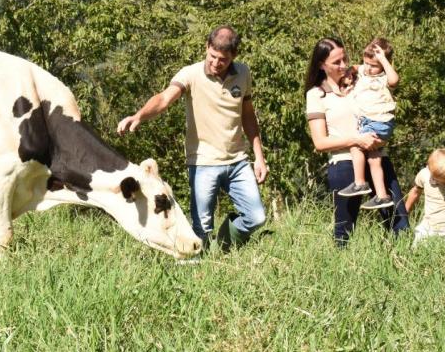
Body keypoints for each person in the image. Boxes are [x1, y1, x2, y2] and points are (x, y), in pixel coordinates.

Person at [117, 25, 267, 250]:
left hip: (237, 161)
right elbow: (164, 99)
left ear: (234, 56)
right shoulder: (190, 74)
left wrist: (259, 156)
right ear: (206, 47)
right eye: (212, 56)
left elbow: (248, 116)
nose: (216, 63)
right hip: (203, 163)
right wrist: (140, 115)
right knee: (202, 227)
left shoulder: (243, 73)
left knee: (256, 218)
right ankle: (202, 267)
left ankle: (222, 247)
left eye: (223, 60)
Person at [304, 36, 408, 245]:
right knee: (344, 231)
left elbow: (386, 78)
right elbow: (320, 143)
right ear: (321, 65)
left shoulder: (362, 77)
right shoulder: (316, 95)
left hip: (378, 159)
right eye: (336, 62)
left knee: (399, 225)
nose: (343, 65)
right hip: (343, 163)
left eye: (344, 59)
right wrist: (355, 140)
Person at [338, 38, 399, 210]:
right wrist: (350, 71)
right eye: (367, 63)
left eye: (374, 65)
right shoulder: (365, 70)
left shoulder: (383, 78)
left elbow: (395, 80)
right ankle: (382, 196)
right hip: (374, 123)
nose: (369, 68)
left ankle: (360, 183)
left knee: (356, 146)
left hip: (377, 121)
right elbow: (358, 67)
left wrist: (384, 61)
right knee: (374, 158)